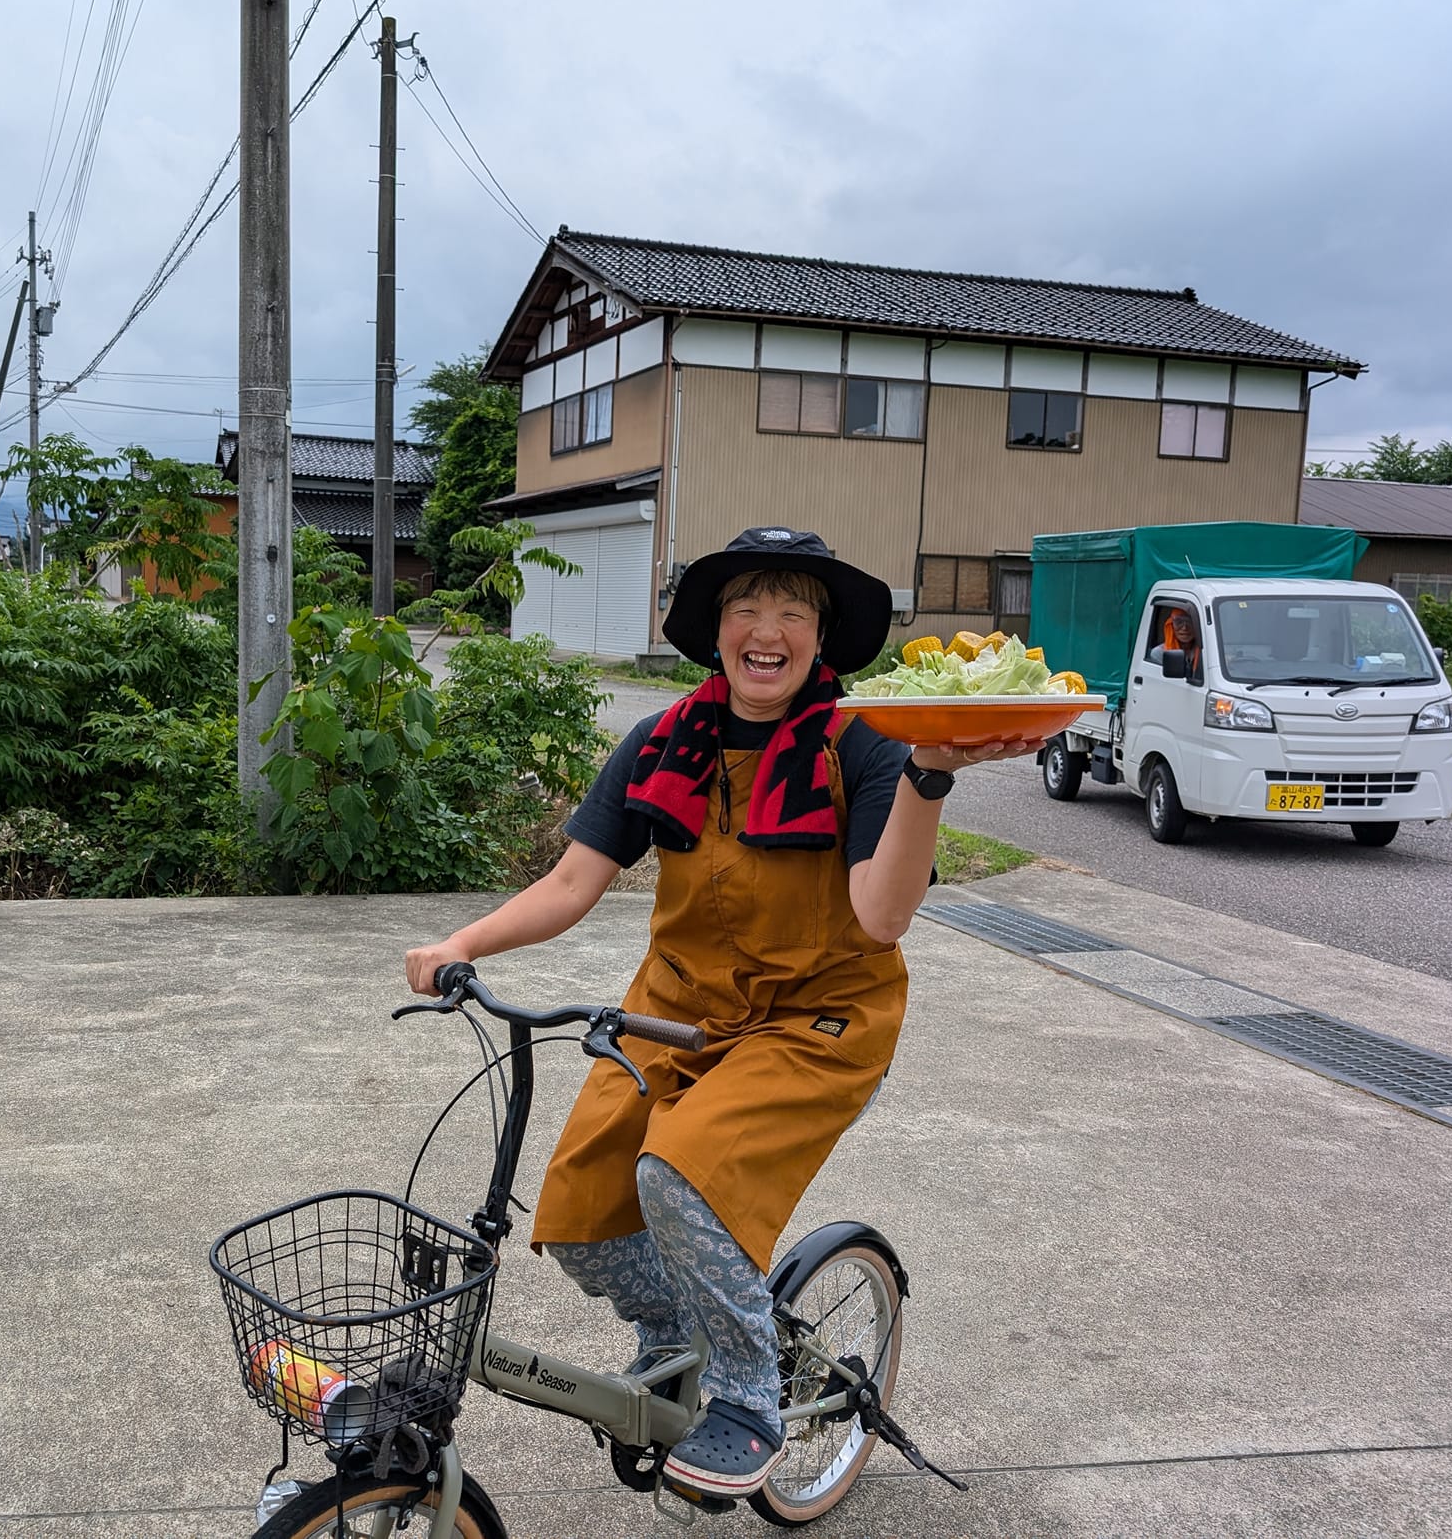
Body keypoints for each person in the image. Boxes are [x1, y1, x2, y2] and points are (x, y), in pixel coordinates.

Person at [405, 527, 1041, 1503]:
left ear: (820, 638)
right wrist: (462, 945)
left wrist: (926, 775)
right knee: (578, 1215)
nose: (766, 628)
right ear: (714, 629)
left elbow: (880, 915)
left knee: (677, 1175)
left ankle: (746, 1394)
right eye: (746, 605)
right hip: (673, 1012)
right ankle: (683, 1340)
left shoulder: (861, 743)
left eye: (794, 610)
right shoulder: (663, 742)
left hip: (816, 1019)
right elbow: (574, 878)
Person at [1147, 608, 1202, 681]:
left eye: (1190, 622)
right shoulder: (1159, 653)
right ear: (1171, 625)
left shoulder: (1204, 651)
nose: (1184, 628)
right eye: (1179, 622)